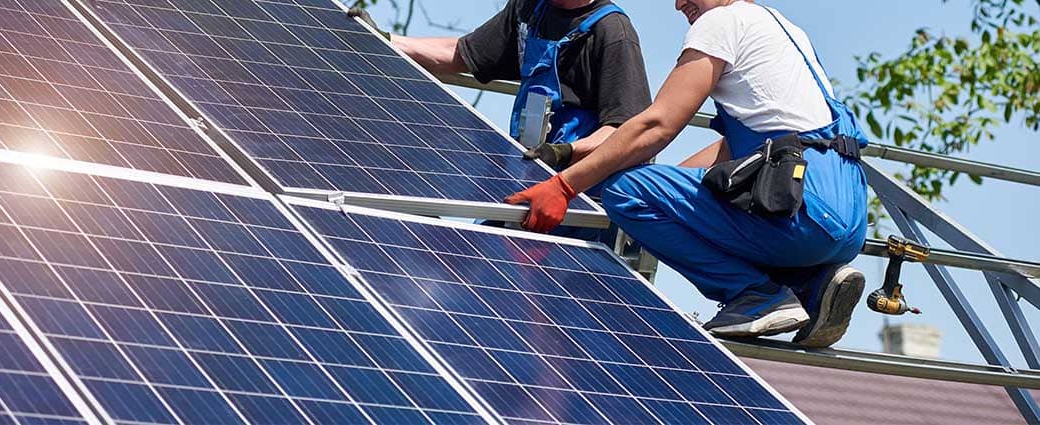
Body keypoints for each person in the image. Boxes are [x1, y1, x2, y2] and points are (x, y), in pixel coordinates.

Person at [505, 0, 869, 347]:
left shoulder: (720, 22)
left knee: (625, 191)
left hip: (800, 209)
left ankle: (753, 294)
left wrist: (564, 186)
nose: (679, 5)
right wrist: (669, 202)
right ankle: (812, 283)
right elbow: (735, 150)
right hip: (845, 213)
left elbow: (657, 125)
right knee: (661, 195)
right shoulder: (782, 29)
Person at [348, 0, 652, 171]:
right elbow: (461, 54)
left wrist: (563, 153)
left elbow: (627, 133)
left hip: (578, 191)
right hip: (524, 169)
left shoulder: (613, 33)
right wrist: (386, 42)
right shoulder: (531, 8)